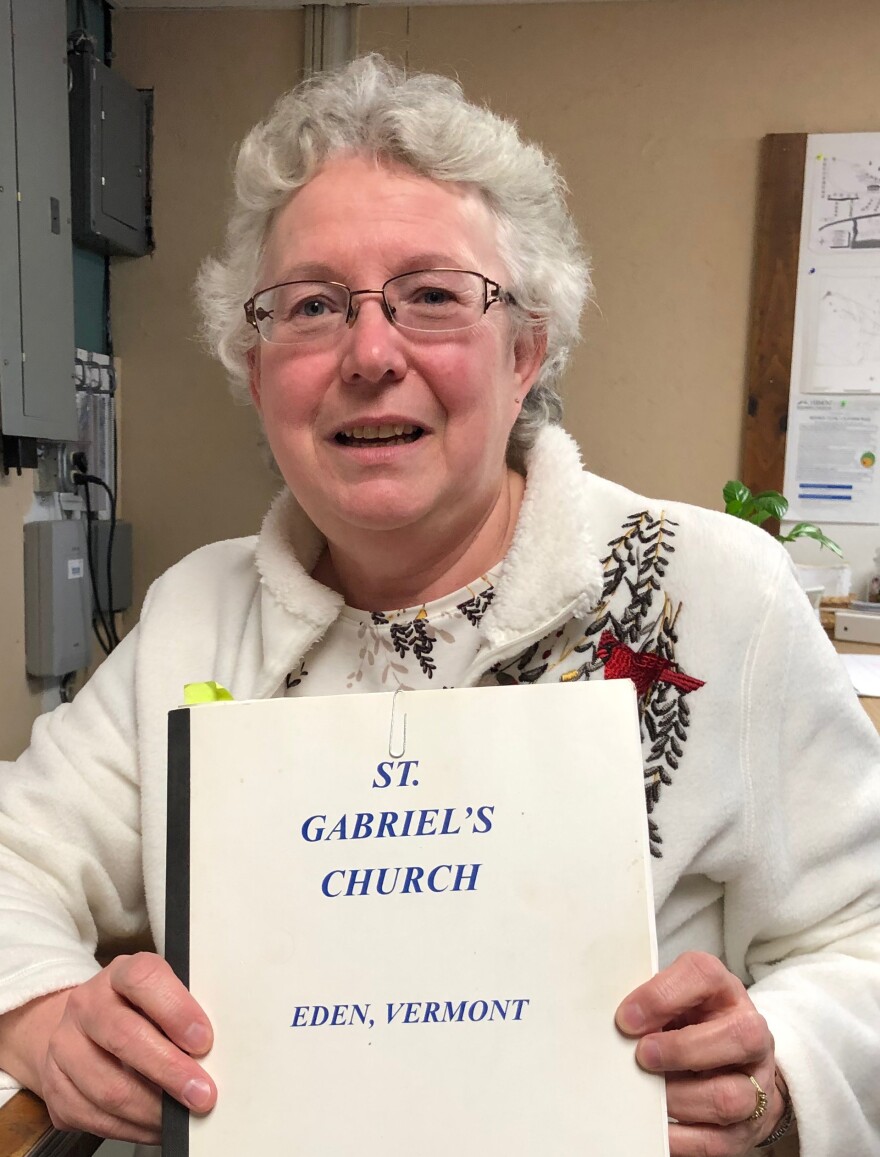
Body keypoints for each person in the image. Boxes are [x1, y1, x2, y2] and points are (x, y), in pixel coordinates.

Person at [0, 55, 878, 1156]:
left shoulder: (713, 595)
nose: (371, 353)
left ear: (524, 349)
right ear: (256, 365)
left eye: (431, 296)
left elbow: (865, 942)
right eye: (312, 306)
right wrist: (40, 1011)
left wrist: (777, 1071)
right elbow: (13, 854)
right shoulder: (195, 614)